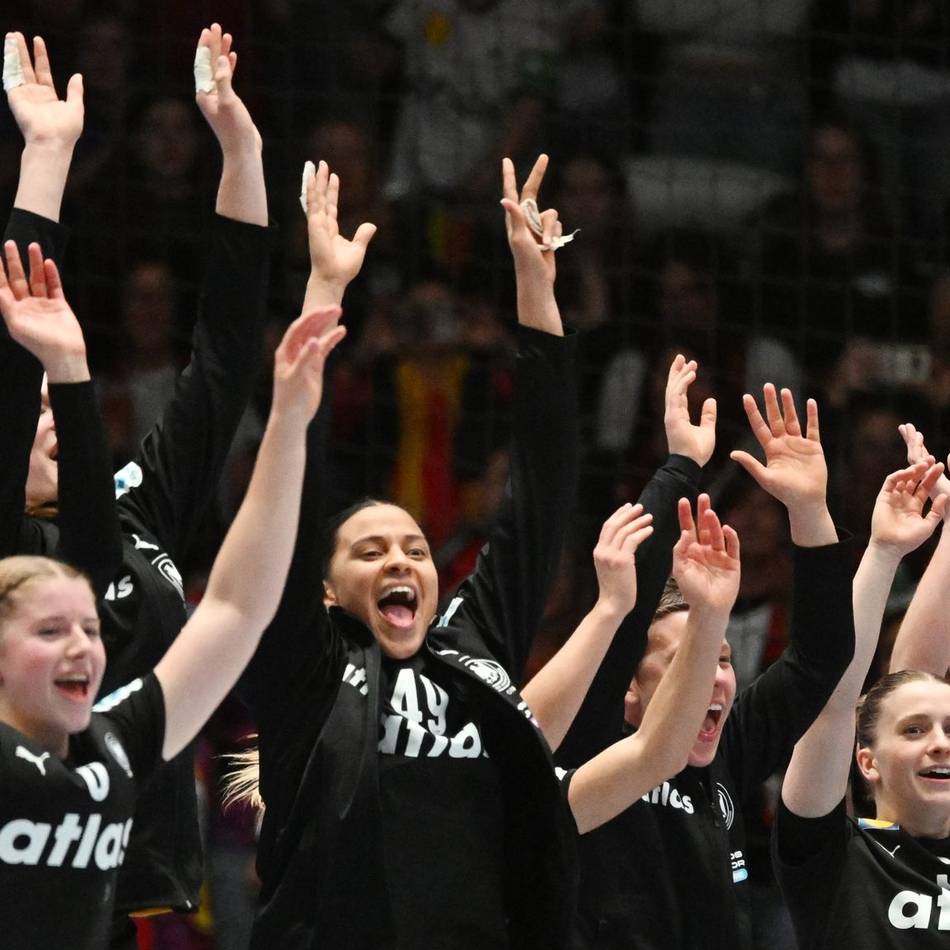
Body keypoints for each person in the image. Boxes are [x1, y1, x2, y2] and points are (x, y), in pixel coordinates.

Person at [232, 153, 578, 950]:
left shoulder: (473, 642)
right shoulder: (305, 668)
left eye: (415, 549)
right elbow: (288, 510)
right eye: (370, 550)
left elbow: (542, 492)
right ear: (325, 590)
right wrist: (325, 295)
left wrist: (536, 290)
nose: (400, 561)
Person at [1, 24, 276, 943]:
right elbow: (19, 353)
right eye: (28, 401)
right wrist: (47, 157)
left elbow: (227, 357)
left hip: (128, 880)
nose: (42, 410)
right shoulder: (11, 548)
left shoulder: (142, 504)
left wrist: (240, 150)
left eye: (57, 401)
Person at [0, 239, 348, 949]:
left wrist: (286, 422)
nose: (82, 646)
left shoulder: (115, 740)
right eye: (50, 631)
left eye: (90, 631)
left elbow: (235, 608)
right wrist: (48, 154)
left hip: (122, 908)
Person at [556, 382, 856, 949]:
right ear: (625, 689)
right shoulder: (585, 743)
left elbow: (822, 655)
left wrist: (810, 511)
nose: (712, 677)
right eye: (682, 661)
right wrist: (680, 467)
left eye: (720, 658)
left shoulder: (730, 747)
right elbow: (624, 600)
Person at [772, 456, 949, 947]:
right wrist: (883, 552)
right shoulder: (833, 853)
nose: (940, 744)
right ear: (866, 761)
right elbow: (831, 699)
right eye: (914, 731)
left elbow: (917, 677)